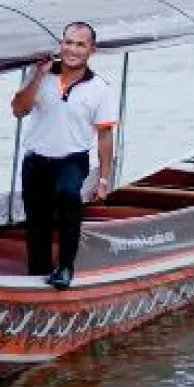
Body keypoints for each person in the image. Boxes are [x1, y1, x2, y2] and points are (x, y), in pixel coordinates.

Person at [11, 21, 117, 289]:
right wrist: (37, 75)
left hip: (73, 159)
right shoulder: (41, 77)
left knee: (69, 196)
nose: (72, 49)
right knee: (37, 220)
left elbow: (105, 135)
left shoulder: (100, 88)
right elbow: (19, 110)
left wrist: (103, 180)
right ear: (61, 45)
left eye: (80, 44)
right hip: (35, 160)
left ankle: (66, 267)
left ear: (92, 49)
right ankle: (37, 275)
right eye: (68, 42)